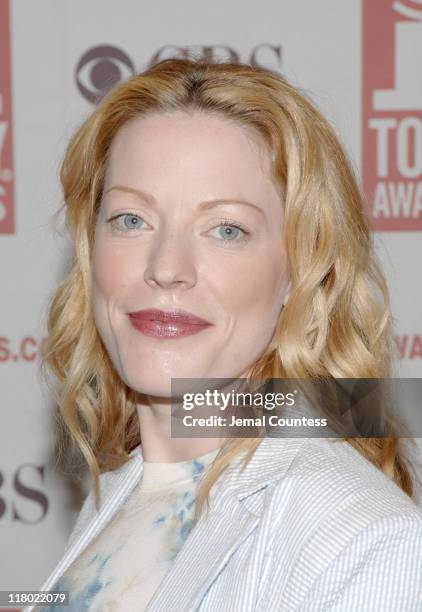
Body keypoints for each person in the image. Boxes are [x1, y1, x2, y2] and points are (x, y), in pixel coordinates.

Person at [25, 57, 422, 612]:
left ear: (300, 273)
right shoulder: (124, 493)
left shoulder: (365, 543)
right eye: (131, 219)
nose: (166, 266)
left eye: (226, 229)